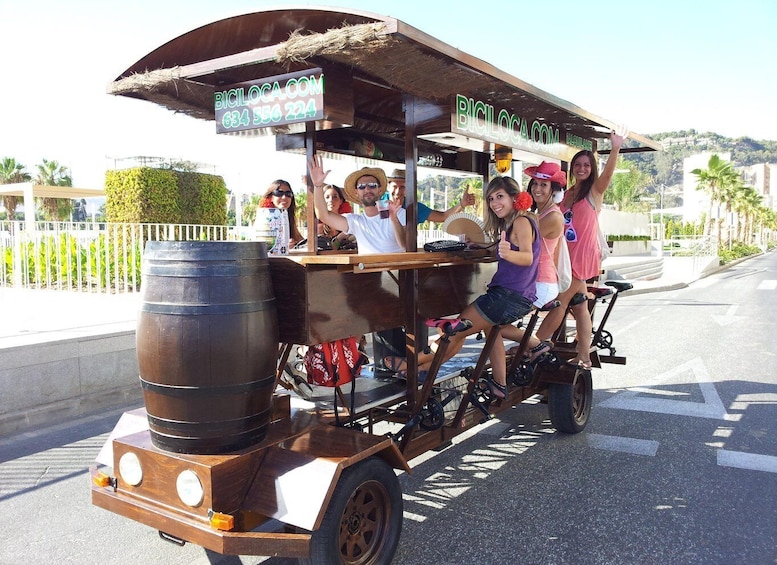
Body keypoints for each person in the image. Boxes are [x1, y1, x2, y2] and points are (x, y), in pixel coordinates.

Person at [384, 176, 540, 398]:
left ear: (515, 197)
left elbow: (527, 257)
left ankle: (412, 363)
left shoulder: (521, 222)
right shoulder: (519, 221)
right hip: (514, 295)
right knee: (476, 331)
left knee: (454, 330)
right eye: (491, 198)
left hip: (507, 296)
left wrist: (507, 253)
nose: (495, 203)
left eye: (500, 197)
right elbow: (510, 251)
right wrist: (484, 246)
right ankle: (498, 384)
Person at [527, 126, 629, 370]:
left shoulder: (595, 191)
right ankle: (584, 356)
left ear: (592, 168)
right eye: (578, 165)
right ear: (572, 168)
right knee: (581, 305)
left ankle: (535, 346)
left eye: (587, 165)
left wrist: (615, 147)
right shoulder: (568, 193)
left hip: (581, 257)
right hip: (564, 255)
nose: (582, 169)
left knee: (560, 302)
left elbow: (608, 175)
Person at [500, 161, 566, 359]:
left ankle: (536, 345)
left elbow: (520, 240)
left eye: (543, 185)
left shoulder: (553, 216)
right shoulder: (539, 213)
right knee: (491, 318)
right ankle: (529, 347)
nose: (537, 189)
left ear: (553, 189)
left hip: (542, 284)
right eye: (535, 184)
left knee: (494, 321)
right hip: (533, 281)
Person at [308, 155, 406, 254]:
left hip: (394, 268)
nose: (367, 189)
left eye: (372, 185)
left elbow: (406, 245)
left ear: (379, 190)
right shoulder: (356, 222)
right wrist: (318, 185)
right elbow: (324, 216)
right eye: (362, 186)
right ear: (356, 192)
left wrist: (394, 219)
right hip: (366, 269)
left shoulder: (400, 214)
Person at [386, 168, 476, 223]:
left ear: (408, 189)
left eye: (402, 187)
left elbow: (444, 217)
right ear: (388, 187)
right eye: (394, 186)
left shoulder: (414, 208)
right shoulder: (378, 203)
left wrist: (462, 204)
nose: (397, 191)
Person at [256, 179, 304, 247]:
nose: (284, 197)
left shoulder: (288, 218)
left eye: (288, 194)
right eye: (279, 193)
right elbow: (261, 245)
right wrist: (281, 246)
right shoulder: (264, 218)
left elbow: (301, 241)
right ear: (271, 197)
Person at [316, 184, 356, 249]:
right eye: (327, 197)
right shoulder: (319, 228)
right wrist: (341, 236)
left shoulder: (349, 222)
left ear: (341, 201)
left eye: (335, 197)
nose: (331, 200)